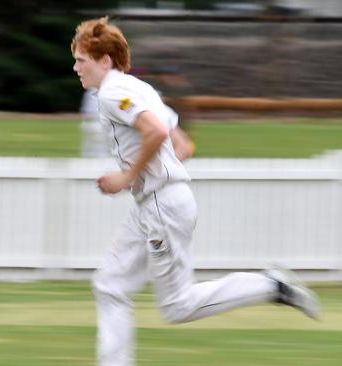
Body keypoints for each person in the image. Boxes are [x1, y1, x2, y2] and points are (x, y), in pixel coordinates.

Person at [71, 17, 319, 366]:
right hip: (156, 203)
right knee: (109, 285)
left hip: (159, 205)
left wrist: (129, 176)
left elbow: (155, 132)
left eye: (81, 59)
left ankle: (271, 285)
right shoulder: (139, 88)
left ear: (104, 60)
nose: (75, 66)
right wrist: (153, 177)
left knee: (177, 306)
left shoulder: (113, 93)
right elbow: (183, 144)